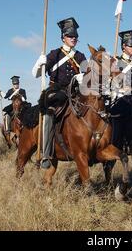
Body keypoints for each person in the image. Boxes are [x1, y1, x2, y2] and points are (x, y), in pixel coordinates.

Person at [32, 17, 87, 169]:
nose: (73, 38)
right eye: (70, 36)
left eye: (75, 36)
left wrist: (82, 77)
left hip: (74, 92)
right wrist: (39, 63)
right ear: (63, 37)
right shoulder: (54, 54)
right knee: (49, 114)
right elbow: (35, 74)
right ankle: (47, 153)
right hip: (56, 91)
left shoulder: (81, 56)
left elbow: (87, 76)